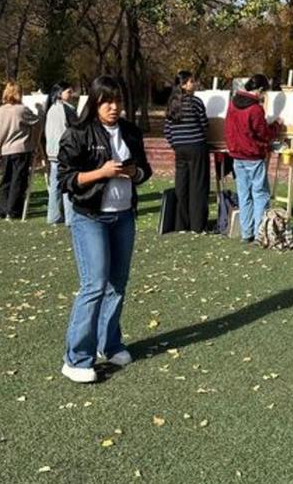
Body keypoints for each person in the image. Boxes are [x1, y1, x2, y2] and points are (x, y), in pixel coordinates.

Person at [57, 76, 152, 383]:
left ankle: (109, 344)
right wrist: (102, 172)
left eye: (118, 101)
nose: (113, 107)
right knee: (94, 285)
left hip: (124, 217)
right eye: (106, 101)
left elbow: (144, 171)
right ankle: (76, 358)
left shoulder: (130, 132)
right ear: (95, 103)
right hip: (91, 217)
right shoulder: (79, 133)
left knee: (118, 284)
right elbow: (66, 180)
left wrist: (133, 171)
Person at [224, 74, 281, 244]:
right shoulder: (255, 109)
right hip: (252, 155)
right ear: (261, 90)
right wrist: (276, 125)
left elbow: (230, 128)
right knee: (260, 194)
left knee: (244, 194)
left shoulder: (233, 104)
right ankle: (259, 233)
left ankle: (246, 232)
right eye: (265, 93)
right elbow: (263, 134)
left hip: (237, 155)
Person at [163, 71, 210, 233]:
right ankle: (198, 224)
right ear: (183, 84)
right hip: (196, 146)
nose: (194, 84)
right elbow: (204, 124)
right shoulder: (195, 102)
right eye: (190, 81)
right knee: (198, 186)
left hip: (180, 149)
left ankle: (181, 224)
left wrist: (175, 144)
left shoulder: (172, 104)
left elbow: (167, 130)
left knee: (181, 186)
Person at [0, 81, 41, 219]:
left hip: (5, 150)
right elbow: (37, 121)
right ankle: (12, 211)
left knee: (5, 181)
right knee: (18, 180)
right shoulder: (21, 110)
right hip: (21, 149)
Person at [44, 83, 79, 226]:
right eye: (68, 92)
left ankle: (53, 216)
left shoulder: (51, 108)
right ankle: (70, 217)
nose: (71, 95)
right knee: (68, 185)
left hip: (53, 152)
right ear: (60, 93)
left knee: (55, 186)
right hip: (65, 152)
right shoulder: (67, 109)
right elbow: (74, 130)